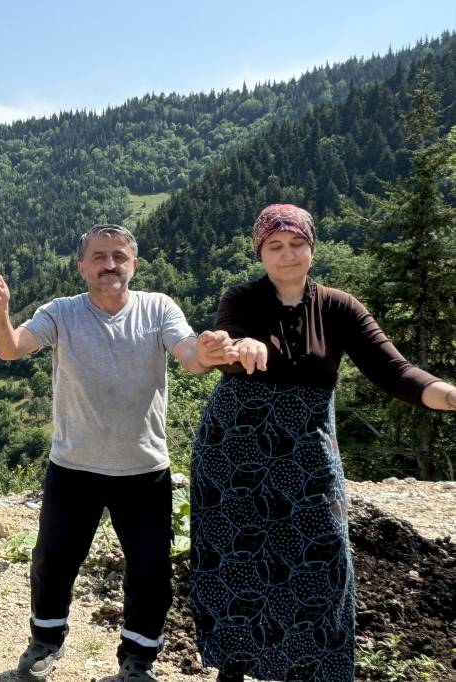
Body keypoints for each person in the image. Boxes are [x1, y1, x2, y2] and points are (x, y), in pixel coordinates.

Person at [188, 204, 456, 682]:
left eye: (296, 244)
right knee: (236, 555)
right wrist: (233, 349)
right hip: (234, 450)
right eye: (275, 246)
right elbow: (227, 344)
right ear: (260, 252)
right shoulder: (243, 297)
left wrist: (450, 396)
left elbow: (395, 372)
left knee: (323, 558)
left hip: (309, 450)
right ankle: (235, 667)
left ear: (312, 247)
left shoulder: (340, 306)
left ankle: (318, 671)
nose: (287, 255)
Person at [0, 224, 235, 681]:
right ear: (82, 267)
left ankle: (137, 660)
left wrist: (208, 351)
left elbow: (189, 355)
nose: (108, 264)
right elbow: (12, 348)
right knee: (53, 561)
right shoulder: (61, 312)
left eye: (118, 256)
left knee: (150, 571)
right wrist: (1, 315)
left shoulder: (158, 308)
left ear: (133, 263)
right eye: (98, 256)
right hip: (73, 467)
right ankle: (45, 643)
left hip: (144, 468)